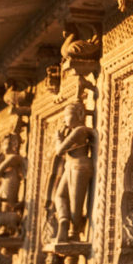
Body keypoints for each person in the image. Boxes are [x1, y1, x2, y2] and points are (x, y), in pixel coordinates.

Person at [45, 102, 95, 242]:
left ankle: (74, 232)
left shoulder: (80, 131)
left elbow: (60, 150)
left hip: (80, 167)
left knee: (75, 203)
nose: (64, 119)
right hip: (70, 166)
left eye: (67, 115)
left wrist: (58, 139)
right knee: (59, 196)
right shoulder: (74, 131)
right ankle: (64, 221)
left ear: (79, 115)